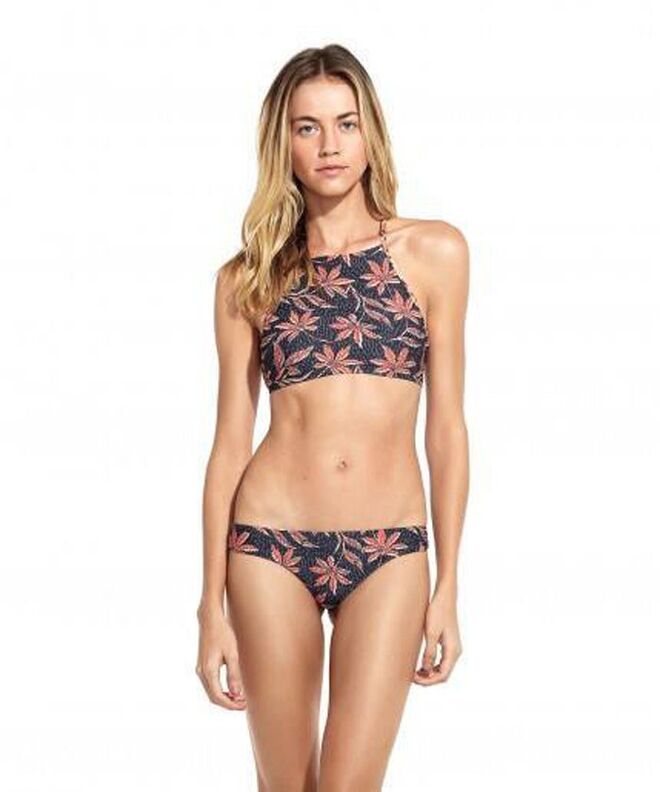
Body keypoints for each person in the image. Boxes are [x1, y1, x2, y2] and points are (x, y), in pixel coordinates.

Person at [196, 43, 470, 792]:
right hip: (268, 545)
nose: (329, 145)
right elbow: (228, 445)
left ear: (370, 132)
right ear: (281, 144)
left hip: (391, 550)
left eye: (346, 123)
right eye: (307, 127)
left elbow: (447, 430)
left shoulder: (434, 252)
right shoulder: (248, 278)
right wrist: (208, 606)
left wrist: (449, 583)